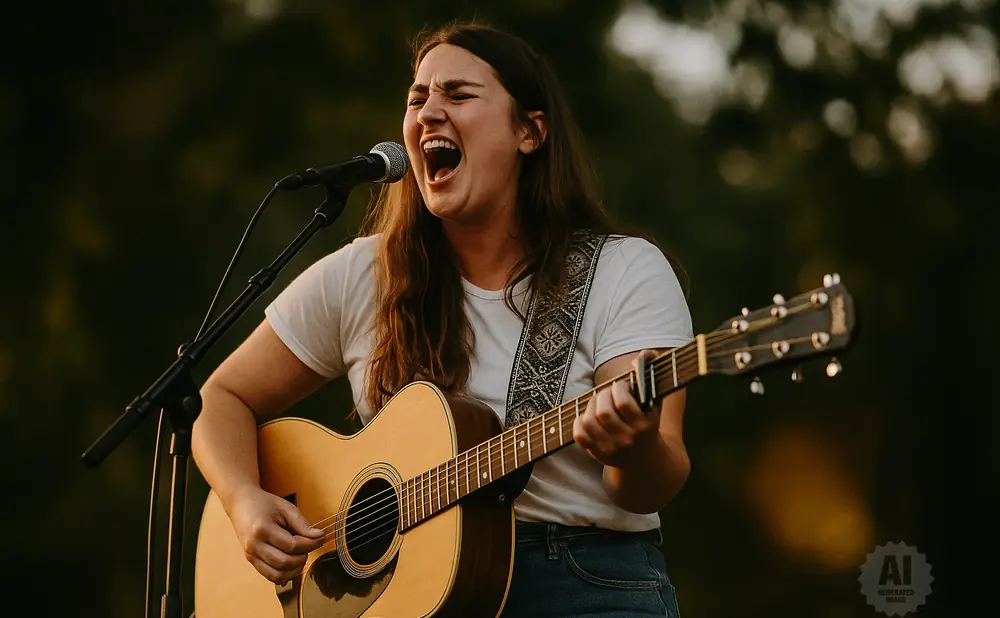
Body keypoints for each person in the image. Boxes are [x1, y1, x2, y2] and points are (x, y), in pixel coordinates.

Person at [191, 21, 693, 618]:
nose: (429, 112)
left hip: (584, 581)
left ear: (529, 132)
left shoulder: (624, 271)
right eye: (417, 98)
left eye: (457, 95)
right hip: (409, 594)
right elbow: (219, 397)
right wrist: (244, 500)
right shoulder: (363, 275)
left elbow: (649, 483)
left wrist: (633, 447)